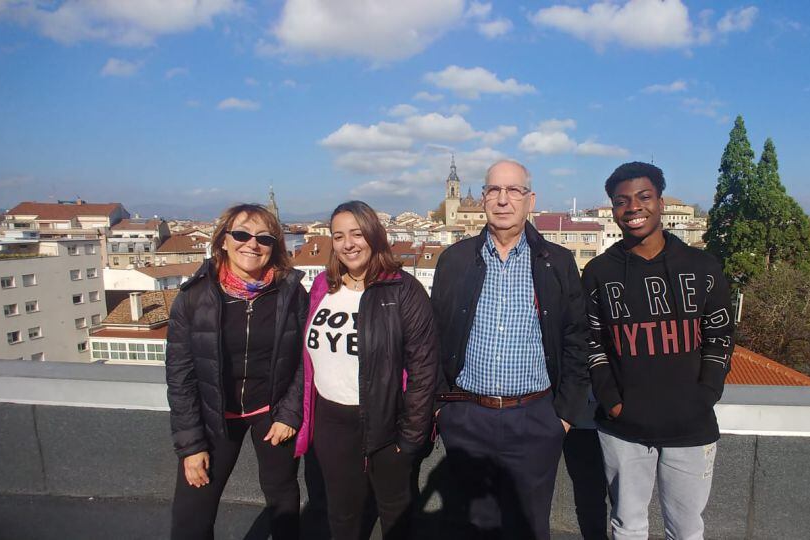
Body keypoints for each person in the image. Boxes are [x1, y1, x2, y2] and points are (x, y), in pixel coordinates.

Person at [430, 159, 590, 539]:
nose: (503, 200)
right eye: (494, 190)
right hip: (468, 417)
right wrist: (441, 409)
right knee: (472, 528)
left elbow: (577, 339)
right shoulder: (454, 260)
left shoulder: (557, 262)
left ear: (529, 200)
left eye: (513, 191)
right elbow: (433, 336)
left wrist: (562, 417)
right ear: (483, 198)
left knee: (530, 527)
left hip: (535, 419)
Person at [582, 162, 735, 540]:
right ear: (613, 210)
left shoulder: (703, 266)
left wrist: (704, 396)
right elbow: (590, 340)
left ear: (661, 202)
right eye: (621, 201)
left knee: (685, 530)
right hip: (623, 427)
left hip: (691, 426)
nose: (633, 207)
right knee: (627, 526)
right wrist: (611, 398)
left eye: (643, 197)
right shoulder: (600, 271)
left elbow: (720, 335)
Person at [293, 200, 438, 540]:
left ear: (374, 235)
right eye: (339, 235)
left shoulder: (403, 290)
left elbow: (423, 368)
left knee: (396, 514)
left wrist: (411, 437)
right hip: (332, 423)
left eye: (357, 234)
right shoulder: (322, 288)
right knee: (341, 515)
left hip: (388, 422)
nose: (348, 244)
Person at [166, 203, 308, 540]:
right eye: (242, 234)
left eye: (264, 238)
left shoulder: (291, 293)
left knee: (283, 498)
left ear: (276, 247)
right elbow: (180, 377)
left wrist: (289, 413)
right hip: (214, 415)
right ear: (223, 241)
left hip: (271, 412)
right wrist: (191, 446)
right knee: (192, 512)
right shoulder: (194, 297)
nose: (252, 244)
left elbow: (306, 357)